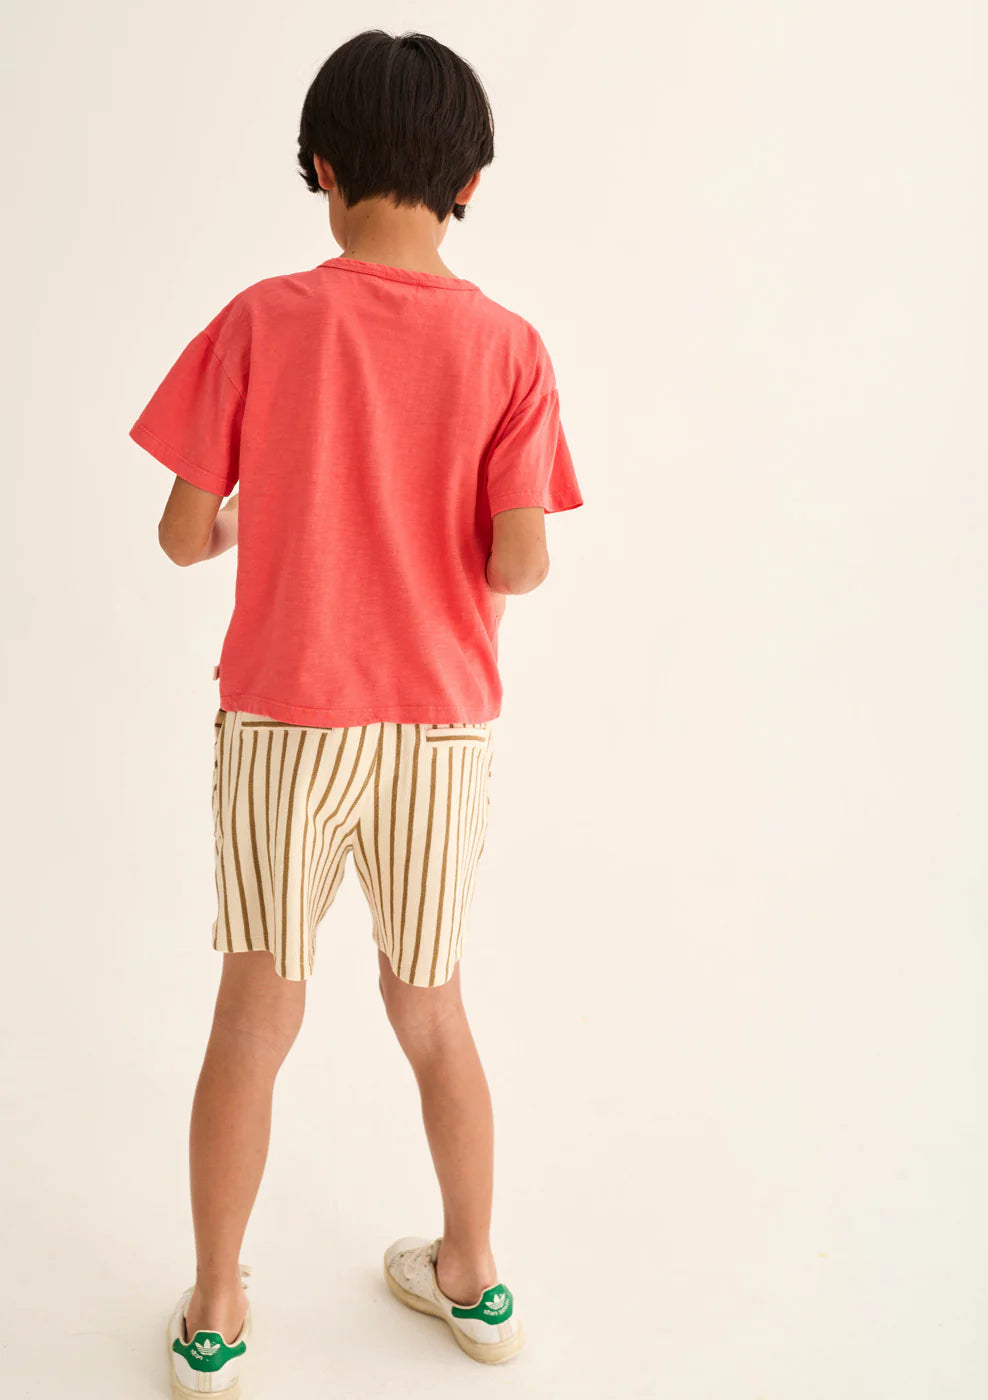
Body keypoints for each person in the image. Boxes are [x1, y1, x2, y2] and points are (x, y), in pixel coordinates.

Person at [129, 29, 582, 1396]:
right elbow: (519, 562)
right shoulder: (510, 346)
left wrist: (285, 509)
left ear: (321, 171)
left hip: (283, 720)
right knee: (431, 1006)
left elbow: (179, 533)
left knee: (255, 1016)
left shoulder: (262, 319)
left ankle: (217, 1308)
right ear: (473, 184)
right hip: (437, 729)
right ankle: (473, 1271)